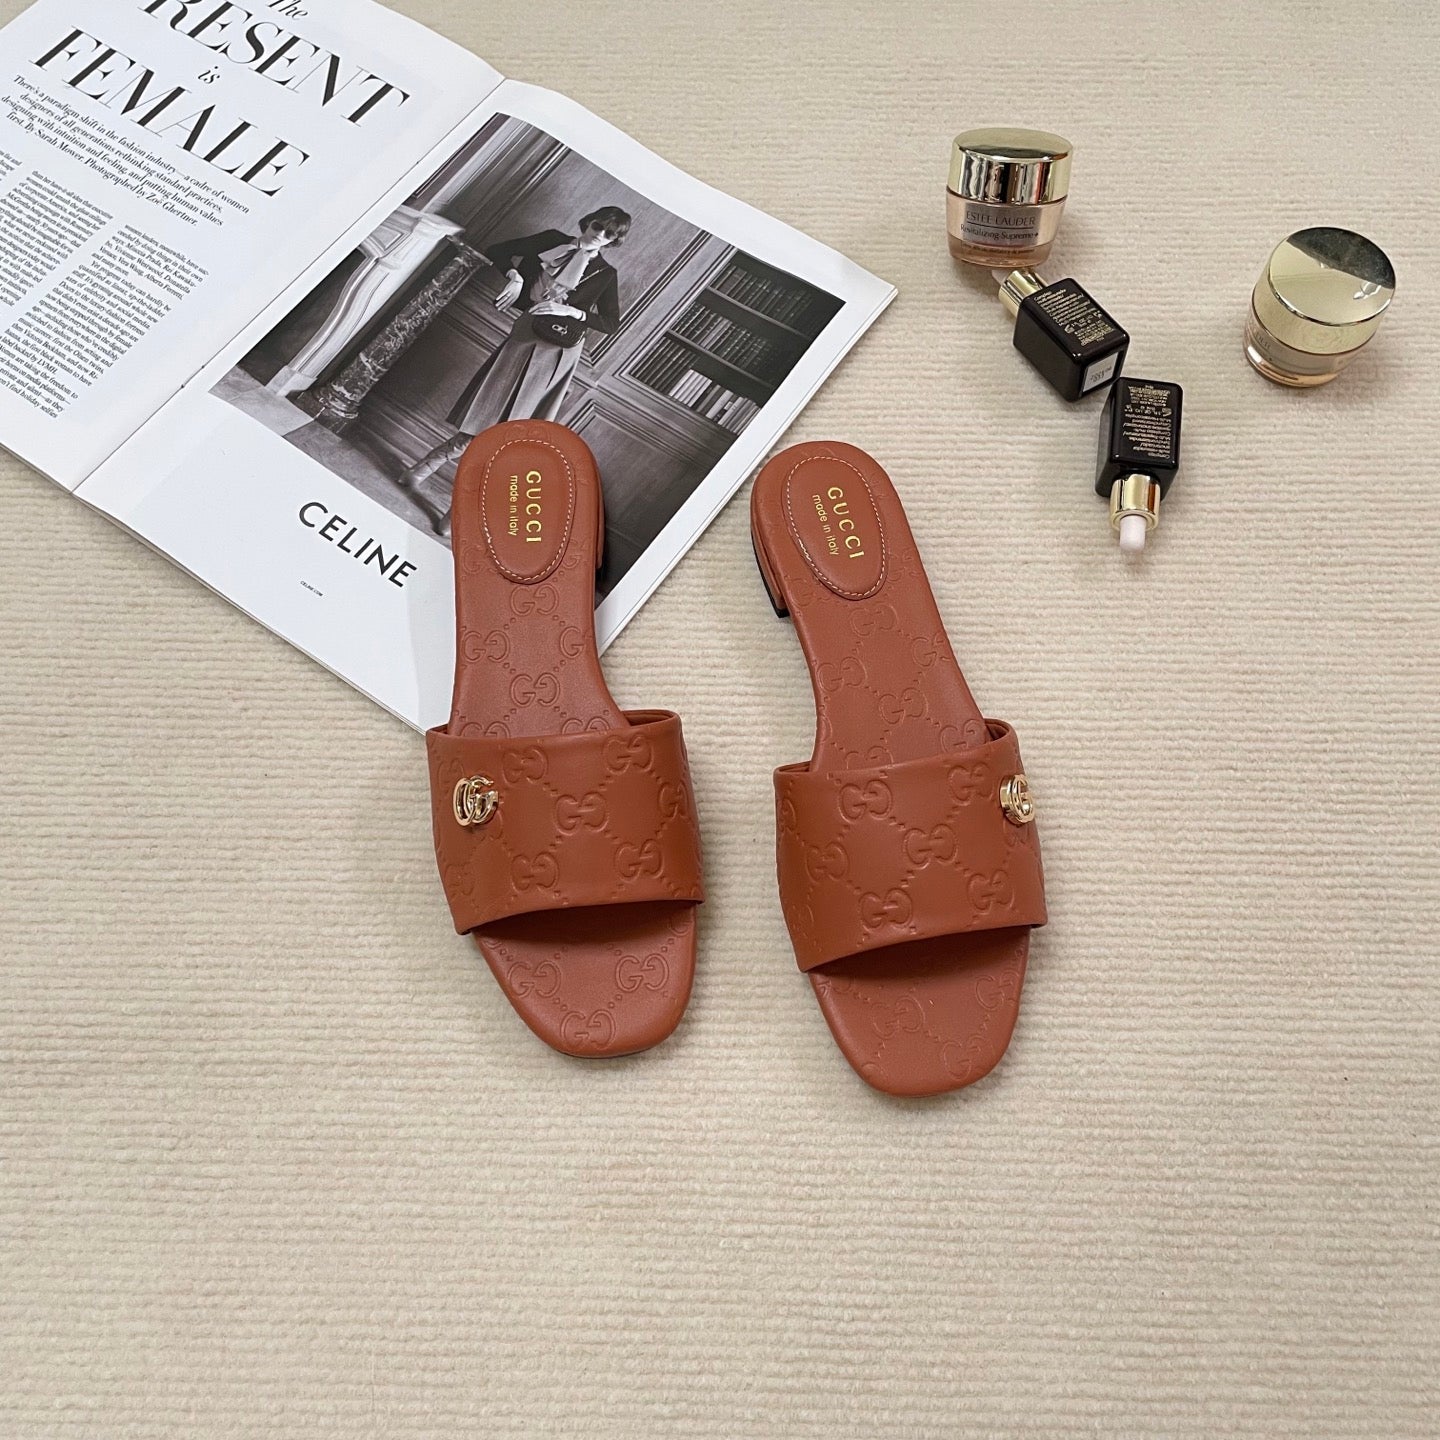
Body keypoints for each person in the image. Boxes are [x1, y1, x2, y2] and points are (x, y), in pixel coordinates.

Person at [397, 205, 631, 534]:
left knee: (510, 433)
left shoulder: (606, 274)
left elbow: (610, 322)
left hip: (559, 351)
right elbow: (498, 251)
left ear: (613, 241)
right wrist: (515, 276)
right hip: (525, 333)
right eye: (597, 226)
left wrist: (571, 312)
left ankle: (452, 503)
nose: (599, 235)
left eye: (609, 234)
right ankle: (422, 470)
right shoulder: (552, 240)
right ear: (588, 223)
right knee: (488, 412)